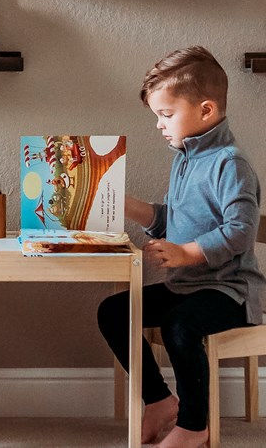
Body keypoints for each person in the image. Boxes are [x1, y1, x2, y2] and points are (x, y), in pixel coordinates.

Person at [97, 46, 264, 448]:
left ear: (206, 110)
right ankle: (158, 401)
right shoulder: (185, 158)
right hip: (186, 286)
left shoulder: (230, 163)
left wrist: (188, 253)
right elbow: (172, 218)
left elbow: (241, 230)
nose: (159, 124)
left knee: (179, 325)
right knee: (114, 311)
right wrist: (127, 205)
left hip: (230, 291)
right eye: (157, 115)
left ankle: (194, 425)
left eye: (166, 114)